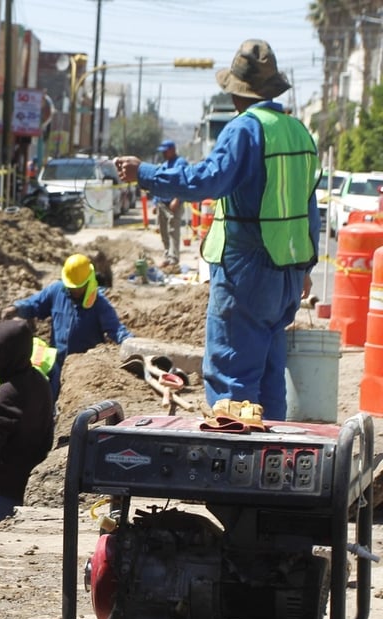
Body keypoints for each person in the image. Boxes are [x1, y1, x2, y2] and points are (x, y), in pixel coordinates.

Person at [114, 39, 319, 421]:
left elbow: (206, 180)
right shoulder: (298, 132)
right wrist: (306, 268)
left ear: (235, 92)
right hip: (286, 275)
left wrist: (144, 173)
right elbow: (309, 208)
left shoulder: (245, 130)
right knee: (269, 379)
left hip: (248, 272)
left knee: (234, 383)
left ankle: (238, 472)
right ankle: (270, 467)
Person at [1, 253, 132, 402]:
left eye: (77, 287)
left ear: (89, 280)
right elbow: (35, 304)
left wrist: (131, 343)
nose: (73, 291)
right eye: (70, 287)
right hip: (56, 363)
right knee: (51, 400)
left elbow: (115, 329)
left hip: (84, 369)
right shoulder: (57, 290)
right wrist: (17, 307)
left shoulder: (99, 303)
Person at [0, 319, 54, 526]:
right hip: (25, 483)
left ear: (9, 354)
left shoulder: (6, 395)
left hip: (3, 493)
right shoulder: (38, 381)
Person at [152, 140, 187, 268]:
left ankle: (174, 258)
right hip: (162, 202)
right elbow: (159, 183)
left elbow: (183, 183)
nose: (164, 154)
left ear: (172, 150)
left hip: (174, 204)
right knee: (163, 231)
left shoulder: (180, 163)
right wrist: (155, 202)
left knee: (173, 230)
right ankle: (167, 254)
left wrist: (177, 199)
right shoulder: (165, 165)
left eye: (165, 151)